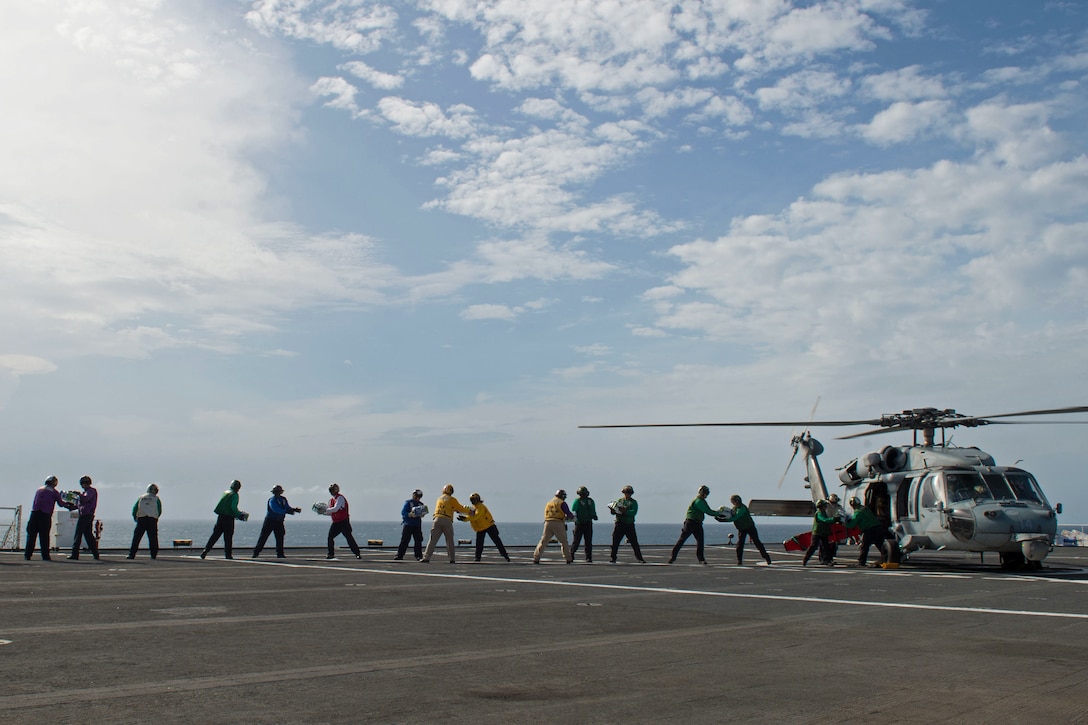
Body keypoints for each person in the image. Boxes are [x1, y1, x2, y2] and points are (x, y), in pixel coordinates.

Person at [25, 476, 76, 561]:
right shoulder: (54, 492)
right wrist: (71, 505)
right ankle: (45, 556)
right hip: (45, 515)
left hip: (34, 514)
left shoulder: (39, 490)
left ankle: (27, 555)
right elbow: (61, 503)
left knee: (31, 535)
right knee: (44, 536)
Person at [668, 485, 721, 565]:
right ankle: (673, 557)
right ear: (701, 493)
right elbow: (707, 511)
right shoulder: (698, 501)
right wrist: (719, 513)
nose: (706, 495)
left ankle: (701, 559)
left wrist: (717, 513)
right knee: (682, 539)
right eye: (705, 493)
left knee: (700, 541)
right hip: (691, 522)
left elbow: (708, 510)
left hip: (698, 523)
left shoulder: (702, 501)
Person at [421, 484, 470, 563]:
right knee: (449, 540)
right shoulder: (452, 499)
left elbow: (446, 507)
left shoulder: (439, 499)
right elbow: (460, 508)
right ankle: (452, 558)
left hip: (436, 519)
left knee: (432, 540)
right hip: (447, 520)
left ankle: (426, 557)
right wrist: (469, 511)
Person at [718, 495, 772, 566]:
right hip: (742, 528)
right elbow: (731, 515)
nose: (733, 503)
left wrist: (723, 520)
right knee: (740, 544)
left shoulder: (742, 508)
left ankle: (767, 558)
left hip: (749, 527)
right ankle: (739, 560)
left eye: (733, 501)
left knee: (757, 542)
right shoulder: (735, 508)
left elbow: (735, 517)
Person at [200, 480, 248, 560]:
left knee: (215, 535)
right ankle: (228, 554)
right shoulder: (235, 495)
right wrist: (239, 514)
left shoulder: (226, 492)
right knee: (228, 537)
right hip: (229, 518)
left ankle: (206, 550)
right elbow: (233, 507)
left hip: (220, 517)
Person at [252, 485, 301, 558]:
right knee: (264, 537)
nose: (278, 493)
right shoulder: (272, 500)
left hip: (279, 521)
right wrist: (287, 511)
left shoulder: (283, 499)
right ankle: (256, 552)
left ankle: (280, 553)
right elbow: (276, 510)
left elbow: (287, 507)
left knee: (280, 537)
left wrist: (293, 509)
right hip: (270, 521)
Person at [461, 492, 510, 562]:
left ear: (478, 499)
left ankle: (505, 555)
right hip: (481, 527)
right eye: (471, 500)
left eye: (474, 499)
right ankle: (477, 557)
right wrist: (464, 518)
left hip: (489, 525)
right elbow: (471, 516)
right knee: (479, 543)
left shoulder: (480, 507)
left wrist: (465, 519)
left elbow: (476, 516)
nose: (473, 501)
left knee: (497, 541)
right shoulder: (473, 508)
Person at [845, 497, 889, 568]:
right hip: (878, 528)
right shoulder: (865, 508)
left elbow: (852, 524)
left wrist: (844, 523)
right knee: (880, 545)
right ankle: (887, 558)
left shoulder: (858, 512)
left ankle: (861, 562)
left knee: (864, 546)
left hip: (870, 530)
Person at [321, 483, 362, 559]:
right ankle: (331, 554)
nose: (331, 492)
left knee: (349, 538)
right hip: (336, 522)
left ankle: (357, 553)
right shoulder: (331, 500)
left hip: (343, 521)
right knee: (330, 537)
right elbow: (331, 512)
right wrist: (323, 513)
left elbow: (335, 509)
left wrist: (325, 510)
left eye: (332, 490)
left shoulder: (340, 498)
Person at [533, 489, 574, 564]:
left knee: (543, 541)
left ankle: (536, 557)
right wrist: (572, 517)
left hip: (547, 522)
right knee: (563, 541)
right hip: (558, 522)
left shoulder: (549, 502)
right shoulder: (561, 503)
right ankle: (568, 558)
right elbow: (568, 513)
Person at [609, 485, 645, 564]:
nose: (627, 494)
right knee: (615, 542)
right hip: (619, 523)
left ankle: (639, 558)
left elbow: (634, 512)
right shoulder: (619, 501)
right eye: (626, 492)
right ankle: (613, 557)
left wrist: (625, 511)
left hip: (629, 524)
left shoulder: (634, 502)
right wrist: (613, 510)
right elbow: (614, 511)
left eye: (629, 492)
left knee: (634, 542)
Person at [68, 475, 100, 560]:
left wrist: (78, 495)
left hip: (86, 515)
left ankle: (75, 554)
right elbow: (80, 504)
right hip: (86, 515)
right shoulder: (85, 493)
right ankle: (95, 554)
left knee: (78, 534)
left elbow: (85, 499)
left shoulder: (91, 491)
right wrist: (70, 506)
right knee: (88, 535)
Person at [128, 484, 162, 559]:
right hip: (152, 520)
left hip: (141, 519)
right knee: (153, 538)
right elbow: (159, 510)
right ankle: (153, 555)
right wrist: (156, 517)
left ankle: (132, 554)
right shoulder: (156, 499)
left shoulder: (141, 497)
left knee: (136, 538)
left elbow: (135, 508)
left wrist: (135, 516)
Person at [395, 489, 427, 561]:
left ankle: (418, 555)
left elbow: (423, 514)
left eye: (419, 496)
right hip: (408, 524)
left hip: (417, 525)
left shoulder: (421, 504)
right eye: (416, 496)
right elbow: (403, 512)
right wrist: (409, 515)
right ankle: (400, 555)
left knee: (418, 541)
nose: (417, 498)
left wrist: (421, 514)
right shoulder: (408, 503)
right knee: (405, 540)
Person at [802, 500, 837, 567]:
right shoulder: (819, 513)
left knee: (826, 547)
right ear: (821, 506)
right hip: (817, 533)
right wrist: (833, 519)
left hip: (824, 533)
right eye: (825, 505)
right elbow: (824, 520)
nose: (826, 507)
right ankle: (805, 559)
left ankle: (827, 560)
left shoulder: (823, 512)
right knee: (813, 546)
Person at [570, 486, 597, 562]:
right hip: (579, 523)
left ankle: (589, 557)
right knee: (576, 540)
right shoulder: (577, 501)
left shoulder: (590, 501)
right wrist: (576, 520)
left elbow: (593, 510)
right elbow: (574, 512)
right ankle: (571, 554)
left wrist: (594, 515)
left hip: (588, 522)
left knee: (588, 541)